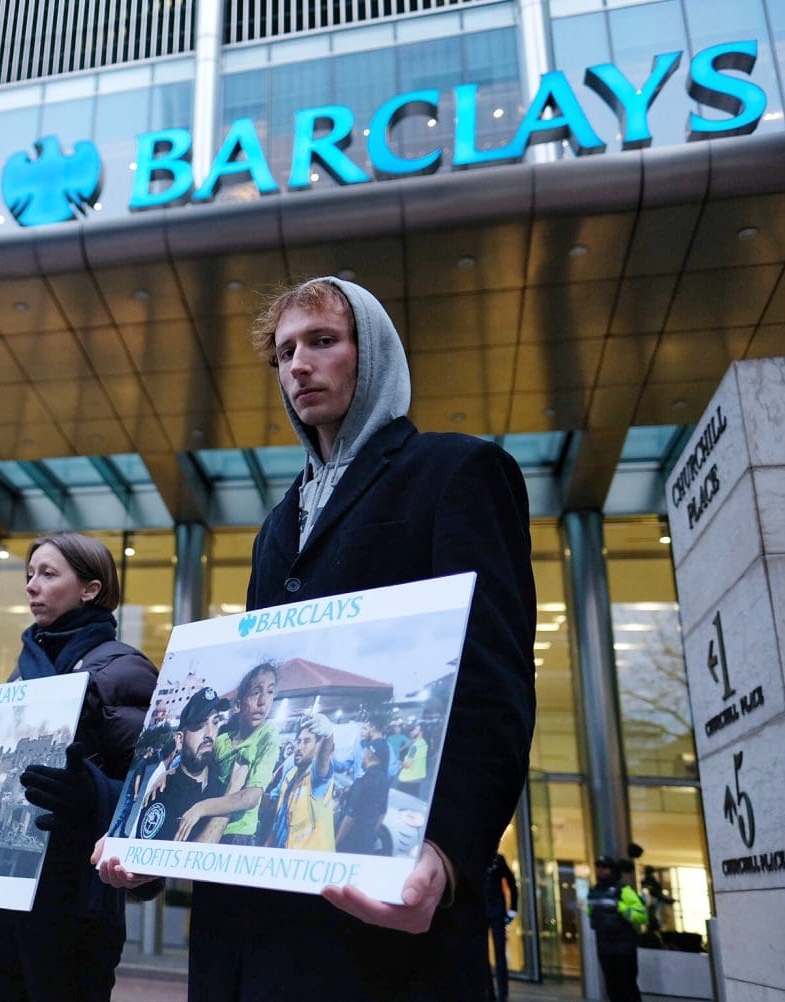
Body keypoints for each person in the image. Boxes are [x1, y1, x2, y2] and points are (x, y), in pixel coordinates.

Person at [96, 276, 535, 1000]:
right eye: (284, 351)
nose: (298, 364)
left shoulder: (456, 471)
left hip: (374, 928)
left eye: (323, 342)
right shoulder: (278, 523)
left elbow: (492, 688)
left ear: (376, 354)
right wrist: (156, 843)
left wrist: (447, 854)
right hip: (244, 932)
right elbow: (250, 702)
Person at [0, 532, 158, 1000]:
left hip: (76, 905)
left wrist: (91, 794)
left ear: (91, 589)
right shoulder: (19, 675)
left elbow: (156, 789)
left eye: (48, 574)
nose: (32, 585)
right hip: (5, 894)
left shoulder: (125, 670)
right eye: (30, 574)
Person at [170, 664, 277, 845]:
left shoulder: (268, 736)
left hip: (238, 834)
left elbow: (250, 798)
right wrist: (166, 775)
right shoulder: (222, 740)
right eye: (256, 693)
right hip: (207, 826)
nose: (263, 702)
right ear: (238, 704)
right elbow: (197, 766)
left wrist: (201, 808)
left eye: (270, 692)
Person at [134, 688, 230, 842]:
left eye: (215, 722)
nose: (210, 734)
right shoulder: (162, 795)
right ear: (179, 740)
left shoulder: (224, 782)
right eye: (200, 725)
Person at [265, 712, 337, 851]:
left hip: (310, 864)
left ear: (318, 746)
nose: (299, 747)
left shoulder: (317, 778)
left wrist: (328, 735)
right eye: (298, 741)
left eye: (307, 741)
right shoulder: (290, 775)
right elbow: (275, 808)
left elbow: (323, 761)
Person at [588, 856, 646, 1002]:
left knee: (627, 985)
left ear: (612, 870)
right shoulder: (594, 891)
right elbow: (591, 913)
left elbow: (642, 916)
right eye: (599, 867)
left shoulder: (624, 890)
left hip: (624, 945)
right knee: (611, 986)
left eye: (605, 867)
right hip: (604, 945)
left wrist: (621, 908)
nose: (601, 871)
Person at [335, 739, 393, 855]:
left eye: (365, 752)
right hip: (366, 844)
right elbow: (382, 812)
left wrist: (335, 843)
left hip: (350, 842)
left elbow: (350, 818)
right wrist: (371, 835)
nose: (362, 755)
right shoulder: (384, 780)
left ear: (369, 755)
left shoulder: (362, 782)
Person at [484, 852, 519, 1001]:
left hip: (497, 912)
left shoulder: (498, 859)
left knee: (500, 953)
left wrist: (512, 910)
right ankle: (489, 993)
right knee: (482, 954)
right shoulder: (478, 857)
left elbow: (512, 883)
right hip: (481, 913)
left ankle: (503, 993)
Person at [396, 721, 429, 797]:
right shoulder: (423, 744)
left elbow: (408, 765)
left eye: (415, 730)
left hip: (407, 781)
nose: (412, 731)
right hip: (417, 781)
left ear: (421, 732)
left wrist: (398, 762)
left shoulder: (415, 747)